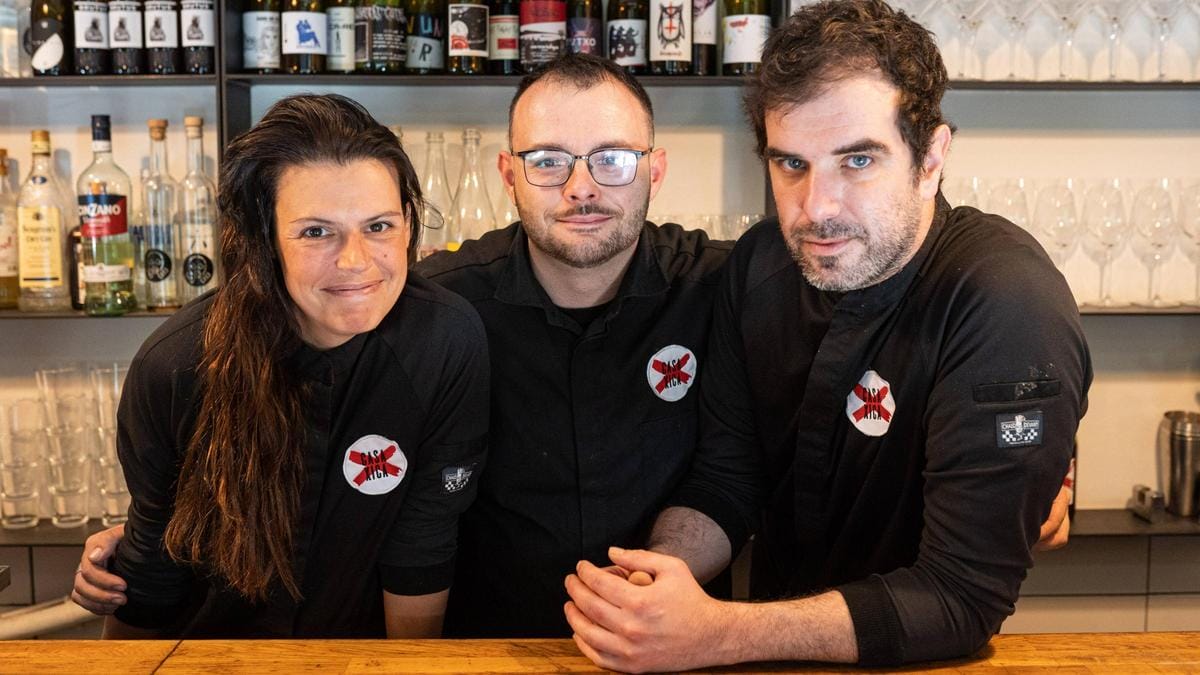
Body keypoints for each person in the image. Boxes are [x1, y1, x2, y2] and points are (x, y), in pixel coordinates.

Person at [73, 55, 1072, 636]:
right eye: (550, 160)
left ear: (655, 169)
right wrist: (159, 534)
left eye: (611, 159)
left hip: (683, 640)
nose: (581, 185)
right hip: (480, 650)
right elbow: (300, 382)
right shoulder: (437, 306)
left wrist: (1033, 456)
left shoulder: (728, 279)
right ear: (510, 172)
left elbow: (857, 338)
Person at [563, 1, 1092, 670]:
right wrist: (652, 582)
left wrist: (720, 633)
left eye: (858, 161)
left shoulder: (1003, 300)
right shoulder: (760, 266)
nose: (816, 207)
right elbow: (728, 481)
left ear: (930, 158)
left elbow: (960, 597)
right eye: (792, 165)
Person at [88, 94, 489, 638]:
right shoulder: (177, 366)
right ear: (263, 242)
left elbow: (422, 544)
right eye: (316, 232)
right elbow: (152, 570)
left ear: (410, 222)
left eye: (379, 226)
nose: (356, 261)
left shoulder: (444, 340)